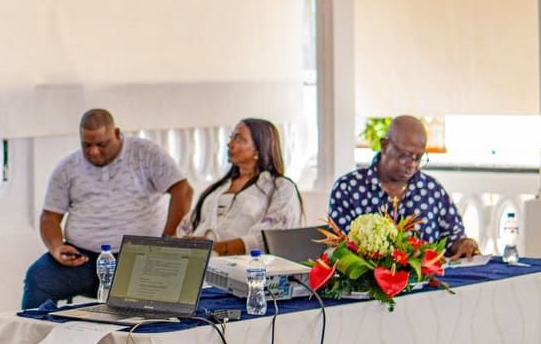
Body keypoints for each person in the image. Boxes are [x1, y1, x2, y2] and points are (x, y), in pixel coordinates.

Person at [21, 108, 192, 308]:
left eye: (102, 144)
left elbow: (183, 191)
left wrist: (168, 238)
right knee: (38, 279)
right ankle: (36, 338)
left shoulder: (145, 154)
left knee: (145, 304)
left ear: (117, 133)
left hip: (139, 257)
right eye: (87, 145)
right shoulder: (68, 167)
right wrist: (57, 247)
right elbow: (49, 217)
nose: (94, 151)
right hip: (83, 258)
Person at [328, 115, 479, 258]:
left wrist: (464, 244)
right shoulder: (348, 188)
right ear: (385, 145)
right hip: (368, 284)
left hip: (429, 284)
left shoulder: (432, 190)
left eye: (418, 158)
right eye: (405, 155)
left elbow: (454, 236)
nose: (412, 164)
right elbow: (340, 248)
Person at [177, 118, 304, 255]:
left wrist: (218, 248)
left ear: (259, 148)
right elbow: (187, 226)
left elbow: (274, 236)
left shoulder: (280, 187)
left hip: (242, 268)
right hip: (199, 261)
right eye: (231, 138)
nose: (229, 144)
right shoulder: (219, 188)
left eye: (239, 139)